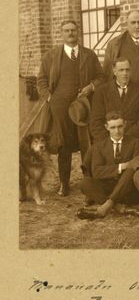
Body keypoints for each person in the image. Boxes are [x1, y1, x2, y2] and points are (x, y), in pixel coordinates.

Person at [37, 19, 105, 196]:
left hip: (83, 107)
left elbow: (101, 76)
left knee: (86, 143)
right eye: (66, 31)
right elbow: (41, 80)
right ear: (62, 34)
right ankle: (64, 183)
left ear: (78, 32)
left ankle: (88, 182)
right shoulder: (51, 56)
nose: (70, 33)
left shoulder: (89, 55)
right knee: (63, 145)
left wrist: (90, 87)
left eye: (73, 30)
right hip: (59, 108)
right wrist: (50, 97)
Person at [78, 111, 139, 219]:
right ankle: (118, 207)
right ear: (106, 127)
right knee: (84, 183)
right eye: (113, 127)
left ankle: (108, 204)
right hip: (108, 187)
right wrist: (120, 167)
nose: (117, 131)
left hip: (128, 188)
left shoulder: (135, 143)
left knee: (132, 169)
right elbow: (97, 172)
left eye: (120, 127)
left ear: (125, 125)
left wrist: (125, 168)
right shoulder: (99, 146)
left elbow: (135, 166)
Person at [90, 58, 139, 143]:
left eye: (127, 70)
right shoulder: (101, 91)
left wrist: (127, 139)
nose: (125, 73)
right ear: (114, 71)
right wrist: (111, 141)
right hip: (107, 141)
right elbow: (96, 122)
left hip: (134, 140)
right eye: (121, 70)